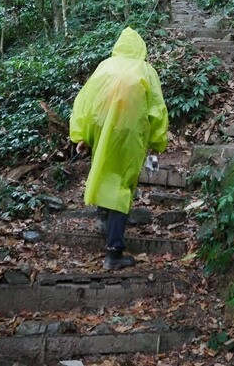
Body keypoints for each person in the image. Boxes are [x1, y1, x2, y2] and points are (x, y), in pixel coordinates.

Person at [69, 27, 168, 270]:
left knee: (106, 173)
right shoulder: (146, 70)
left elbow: (85, 100)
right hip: (130, 135)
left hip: (102, 129)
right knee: (121, 186)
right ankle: (114, 253)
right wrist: (157, 140)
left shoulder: (105, 66)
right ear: (140, 49)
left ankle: (104, 217)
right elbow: (156, 108)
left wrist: (82, 135)